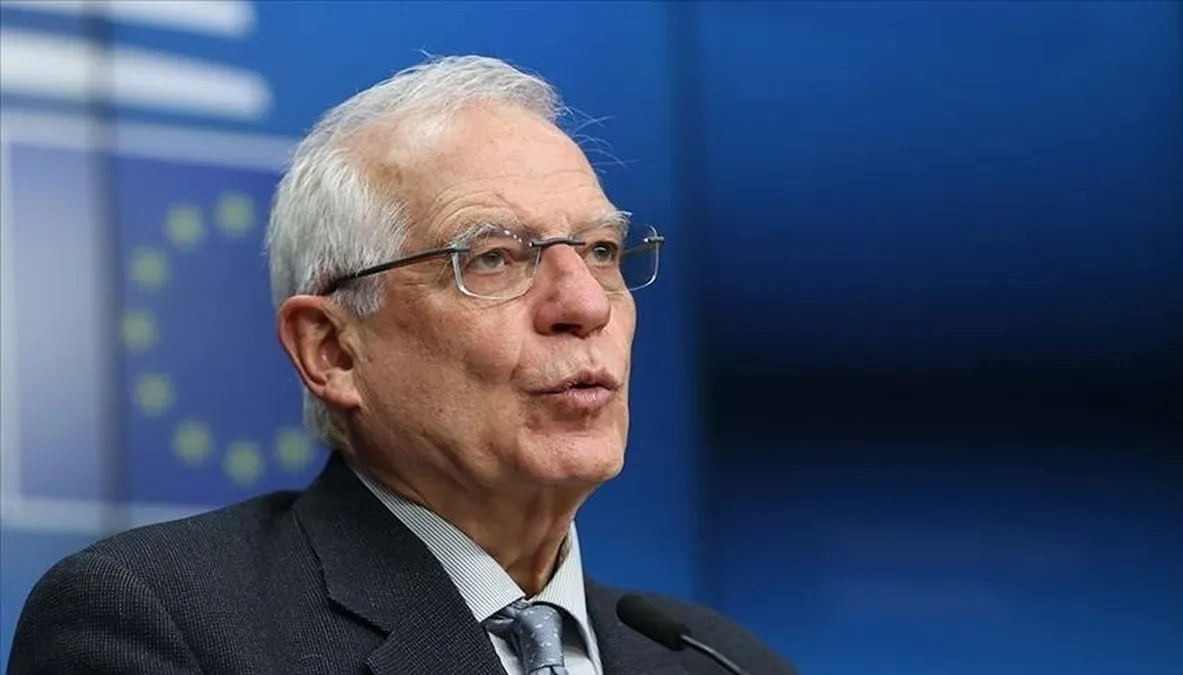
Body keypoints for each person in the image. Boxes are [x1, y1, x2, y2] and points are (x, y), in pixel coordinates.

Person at [9, 55, 795, 675]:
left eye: (599, 250)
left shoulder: (720, 660)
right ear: (332, 349)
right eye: (493, 257)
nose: (585, 304)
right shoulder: (161, 625)